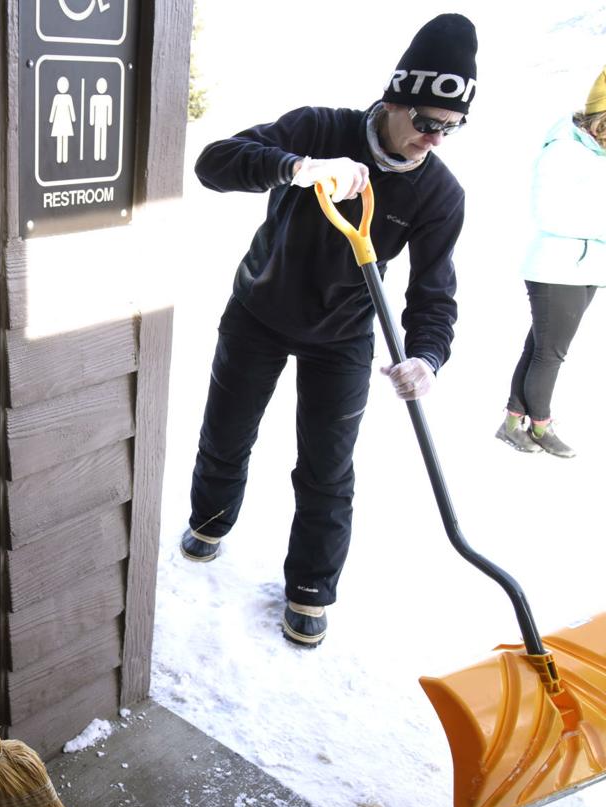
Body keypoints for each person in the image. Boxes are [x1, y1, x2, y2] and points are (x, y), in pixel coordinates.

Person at [180, 14, 478, 647]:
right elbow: (214, 163)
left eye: (451, 128)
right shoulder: (320, 127)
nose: (434, 140)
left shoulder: (439, 194)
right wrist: (299, 168)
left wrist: (428, 355)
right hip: (258, 310)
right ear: (394, 99)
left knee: (327, 466)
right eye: (426, 121)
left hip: (342, 334)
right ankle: (209, 520)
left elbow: (434, 291)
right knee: (227, 430)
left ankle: (310, 587)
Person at [495, 66, 606, 458]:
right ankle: (540, 427)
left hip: (582, 266)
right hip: (558, 268)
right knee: (550, 353)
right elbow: (548, 213)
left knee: (539, 347)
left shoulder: (595, 152)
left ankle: (512, 422)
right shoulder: (564, 150)